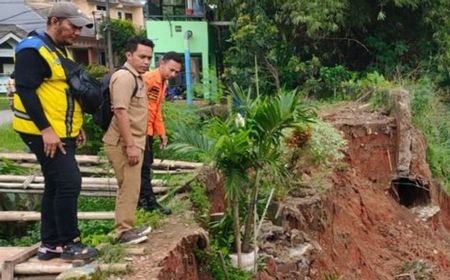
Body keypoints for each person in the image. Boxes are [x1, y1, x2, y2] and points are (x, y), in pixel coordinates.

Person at [12, 2, 97, 260]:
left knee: (56, 184)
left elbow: (63, 92)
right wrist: (46, 130)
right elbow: (25, 90)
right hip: (43, 132)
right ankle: (70, 242)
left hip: (62, 131)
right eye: (73, 26)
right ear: (55, 21)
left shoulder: (59, 50)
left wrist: (75, 126)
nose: (77, 32)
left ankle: (49, 244)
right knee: (70, 182)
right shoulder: (32, 50)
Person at [103, 36, 154, 244]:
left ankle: (127, 227)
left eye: (149, 58)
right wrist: (131, 145)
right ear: (129, 55)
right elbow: (121, 113)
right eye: (142, 56)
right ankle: (123, 231)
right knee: (129, 187)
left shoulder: (137, 77)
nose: (146, 61)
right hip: (124, 143)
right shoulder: (125, 78)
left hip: (133, 142)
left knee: (131, 187)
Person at [138, 52, 182, 215]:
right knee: (142, 169)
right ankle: (148, 203)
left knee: (146, 166)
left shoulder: (163, 83)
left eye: (176, 72)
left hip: (148, 131)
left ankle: (145, 202)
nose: (173, 74)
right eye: (171, 70)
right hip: (139, 130)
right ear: (162, 64)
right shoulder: (148, 79)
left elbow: (157, 110)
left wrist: (162, 133)